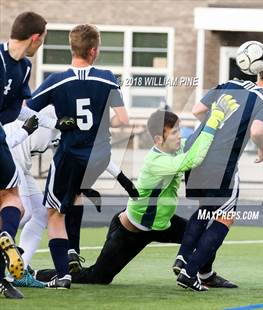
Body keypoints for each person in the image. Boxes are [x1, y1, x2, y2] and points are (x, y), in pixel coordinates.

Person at [36, 105, 236, 288]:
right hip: (132, 230)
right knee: (97, 278)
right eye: (174, 132)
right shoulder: (155, 162)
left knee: (205, 238)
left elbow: (198, 141)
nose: (179, 136)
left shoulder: (177, 146)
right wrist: (213, 120)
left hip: (163, 224)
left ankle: (206, 275)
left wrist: (217, 115)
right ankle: (40, 274)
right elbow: (193, 159)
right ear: (159, 140)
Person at [174, 52, 263, 291]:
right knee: (225, 217)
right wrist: (262, 149)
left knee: (205, 209)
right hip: (221, 162)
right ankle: (189, 272)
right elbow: (258, 130)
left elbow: (198, 110)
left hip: (195, 152)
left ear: (259, 70)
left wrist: (219, 124)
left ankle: (184, 257)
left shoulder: (232, 83)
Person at [25, 23, 129, 289]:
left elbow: (27, 109)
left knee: (53, 213)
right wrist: (99, 124)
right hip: (98, 157)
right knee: (75, 196)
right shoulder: (107, 77)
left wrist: (56, 122)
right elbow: (122, 120)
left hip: (70, 155)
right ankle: (73, 250)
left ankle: (64, 274)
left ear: (72, 48)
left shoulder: (57, 81)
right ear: (93, 51)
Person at [2, 105, 137, 288]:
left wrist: (119, 179)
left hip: (22, 163)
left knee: (41, 214)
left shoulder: (78, 124)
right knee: (21, 212)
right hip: (12, 155)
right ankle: (9, 266)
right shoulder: (58, 111)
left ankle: (19, 269)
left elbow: (86, 155)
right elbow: (28, 107)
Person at [0, 11, 50, 299]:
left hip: (2, 137)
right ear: (34, 37)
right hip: (1, 138)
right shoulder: (16, 64)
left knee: (10, 199)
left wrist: (49, 122)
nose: (41, 44)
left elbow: (18, 108)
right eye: (42, 40)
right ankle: (7, 237)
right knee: (13, 201)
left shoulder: (25, 67)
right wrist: (25, 131)